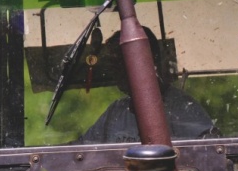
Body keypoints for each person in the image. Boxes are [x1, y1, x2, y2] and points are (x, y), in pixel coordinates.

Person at [77, 27, 216, 143]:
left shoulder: (183, 108)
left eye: (120, 63)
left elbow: (210, 152)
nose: (115, 72)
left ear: (147, 60)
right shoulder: (116, 112)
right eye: (112, 65)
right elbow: (82, 149)